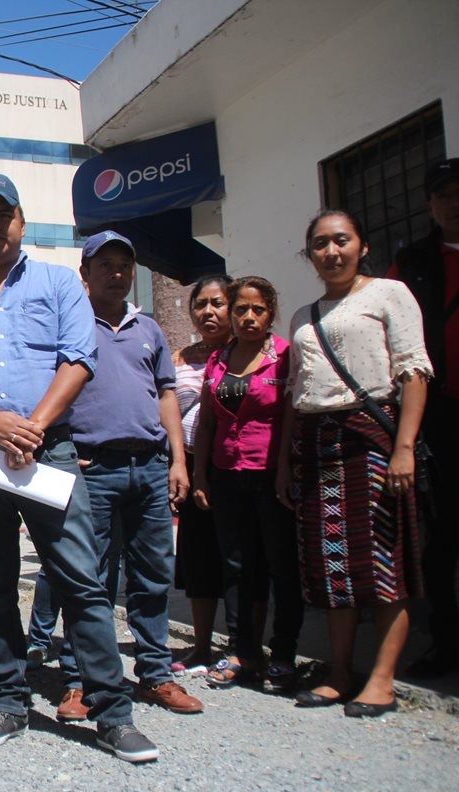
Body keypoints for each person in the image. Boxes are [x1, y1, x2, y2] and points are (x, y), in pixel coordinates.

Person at [0, 173, 159, 762]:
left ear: (21, 222)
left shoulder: (57, 283)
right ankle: (7, 702)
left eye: (4, 213)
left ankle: (112, 712)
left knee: (81, 580)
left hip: (49, 453)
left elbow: (79, 358)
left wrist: (31, 427)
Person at [277, 210, 431, 718]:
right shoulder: (303, 316)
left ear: (361, 245)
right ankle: (339, 671)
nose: (331, 252)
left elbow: (413, 372)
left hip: (374, 440)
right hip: (317, 446)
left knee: (384, 562)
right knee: (331, 566)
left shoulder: (389, 293)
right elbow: (296, 395)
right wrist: (285, 463)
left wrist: (404, 446)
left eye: (341, 240)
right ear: (310, 254)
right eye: (320, 244)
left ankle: (382, 679)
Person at [43, 231, 202, 719]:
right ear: (85, 273)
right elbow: (49, 390)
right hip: (93, 468)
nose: (116, 272)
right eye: (104, 264)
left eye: (124, 265)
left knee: (153, 576)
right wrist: (64, 445)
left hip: (149, 466)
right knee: (87, 577)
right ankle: (79, 680)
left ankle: (156, 674)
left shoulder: (148, 329)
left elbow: (166, 395)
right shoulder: (67, 326)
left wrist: (177, 459)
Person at [194, 277, 303, 694]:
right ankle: (243, 651)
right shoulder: (219, 359)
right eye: (240, 309)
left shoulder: (284, 357)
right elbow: (207, 422)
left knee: (280, 567)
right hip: (227, 475)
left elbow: (291, 416)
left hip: (270, 476)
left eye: (257, 310)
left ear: (270, 313)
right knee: (236, 567)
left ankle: (285, 654)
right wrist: (202, 474)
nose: (248, 317)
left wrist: (284, 469)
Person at [387, 158, 459, 679]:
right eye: (444, 194)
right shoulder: (411, 264)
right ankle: (447, 642)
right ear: (430, 204)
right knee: (440, 538)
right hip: (439, 419)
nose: (454, 202)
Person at [169, 275, 235, 675]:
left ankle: (245, 645)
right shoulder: (180, 357)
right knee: (198, 557)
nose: (208, 311)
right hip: (190, 466)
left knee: (242, 558)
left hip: (234, 466)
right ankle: (201, 645)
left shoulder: (248, 352)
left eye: (218, 303)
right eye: (201, 304)